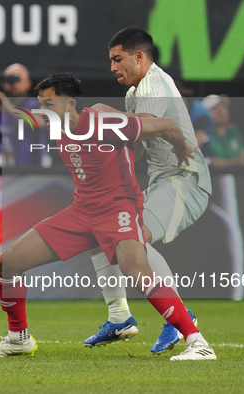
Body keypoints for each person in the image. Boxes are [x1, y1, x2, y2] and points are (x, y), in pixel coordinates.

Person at [0, 73, 216, 361]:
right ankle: (19, 339)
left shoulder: (103, 121)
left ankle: (198, 342)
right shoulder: (57, 127)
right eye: (41, 104)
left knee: (137, 271)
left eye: (49, 104)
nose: (42, 110)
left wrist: (181, 148)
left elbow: (166, 125)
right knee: (8, 263)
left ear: (70, 105)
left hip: (118, 209)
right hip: (80, 211)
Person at [85, 26, 213, 354]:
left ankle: (182, 323)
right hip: (161, 182)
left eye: (117, 59)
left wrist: (101, 113)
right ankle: (120, 316)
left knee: (132, 238)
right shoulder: (135, 92)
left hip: (185, 180)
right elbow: (137, 143)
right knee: (100, 230)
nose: (112, 67)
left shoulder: (155, 83)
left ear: (139, 56)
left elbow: (139, 124)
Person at [0, 63, 51, 167]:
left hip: (30, 169)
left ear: (27, 83)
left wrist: (8, 107)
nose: (12, 84)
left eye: (16, 79)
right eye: (8, 80)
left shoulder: (34, 104)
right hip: (2, 169)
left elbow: (41, 122)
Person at [202, 94, 244, 167]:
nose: (221, 111)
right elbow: (208, 161)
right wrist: (236, 162)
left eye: (223, 107)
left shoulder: (234, 131)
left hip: (239, 175)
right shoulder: (203, 134)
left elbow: (243, 155)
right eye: (215, 108)